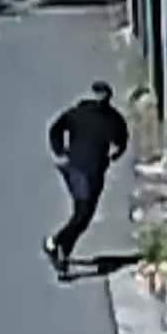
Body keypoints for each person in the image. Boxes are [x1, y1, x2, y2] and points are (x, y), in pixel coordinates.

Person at [43, 80, 129, 278]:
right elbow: (57, 128)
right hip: (79, 170)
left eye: (103, 95)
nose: (101, 99)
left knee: (84, 217)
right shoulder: (83, 113)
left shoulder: (111, 119)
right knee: (82, 214)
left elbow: (122, 140)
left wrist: (114, 155)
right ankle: (55, 244)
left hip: (93, 172)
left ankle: (63, 251)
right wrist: (60, 150)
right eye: (99, 95)